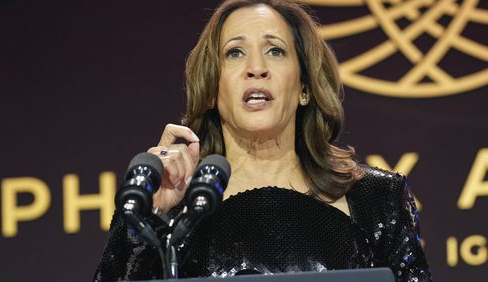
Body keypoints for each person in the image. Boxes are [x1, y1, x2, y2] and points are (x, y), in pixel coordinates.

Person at [93, 0, 431, 281]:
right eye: (235, 53)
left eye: (275, 51)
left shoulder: (377, 201)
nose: (256, 68)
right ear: (212, 89)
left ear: (304, 88)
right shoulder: (173, 212)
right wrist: (149, 220)